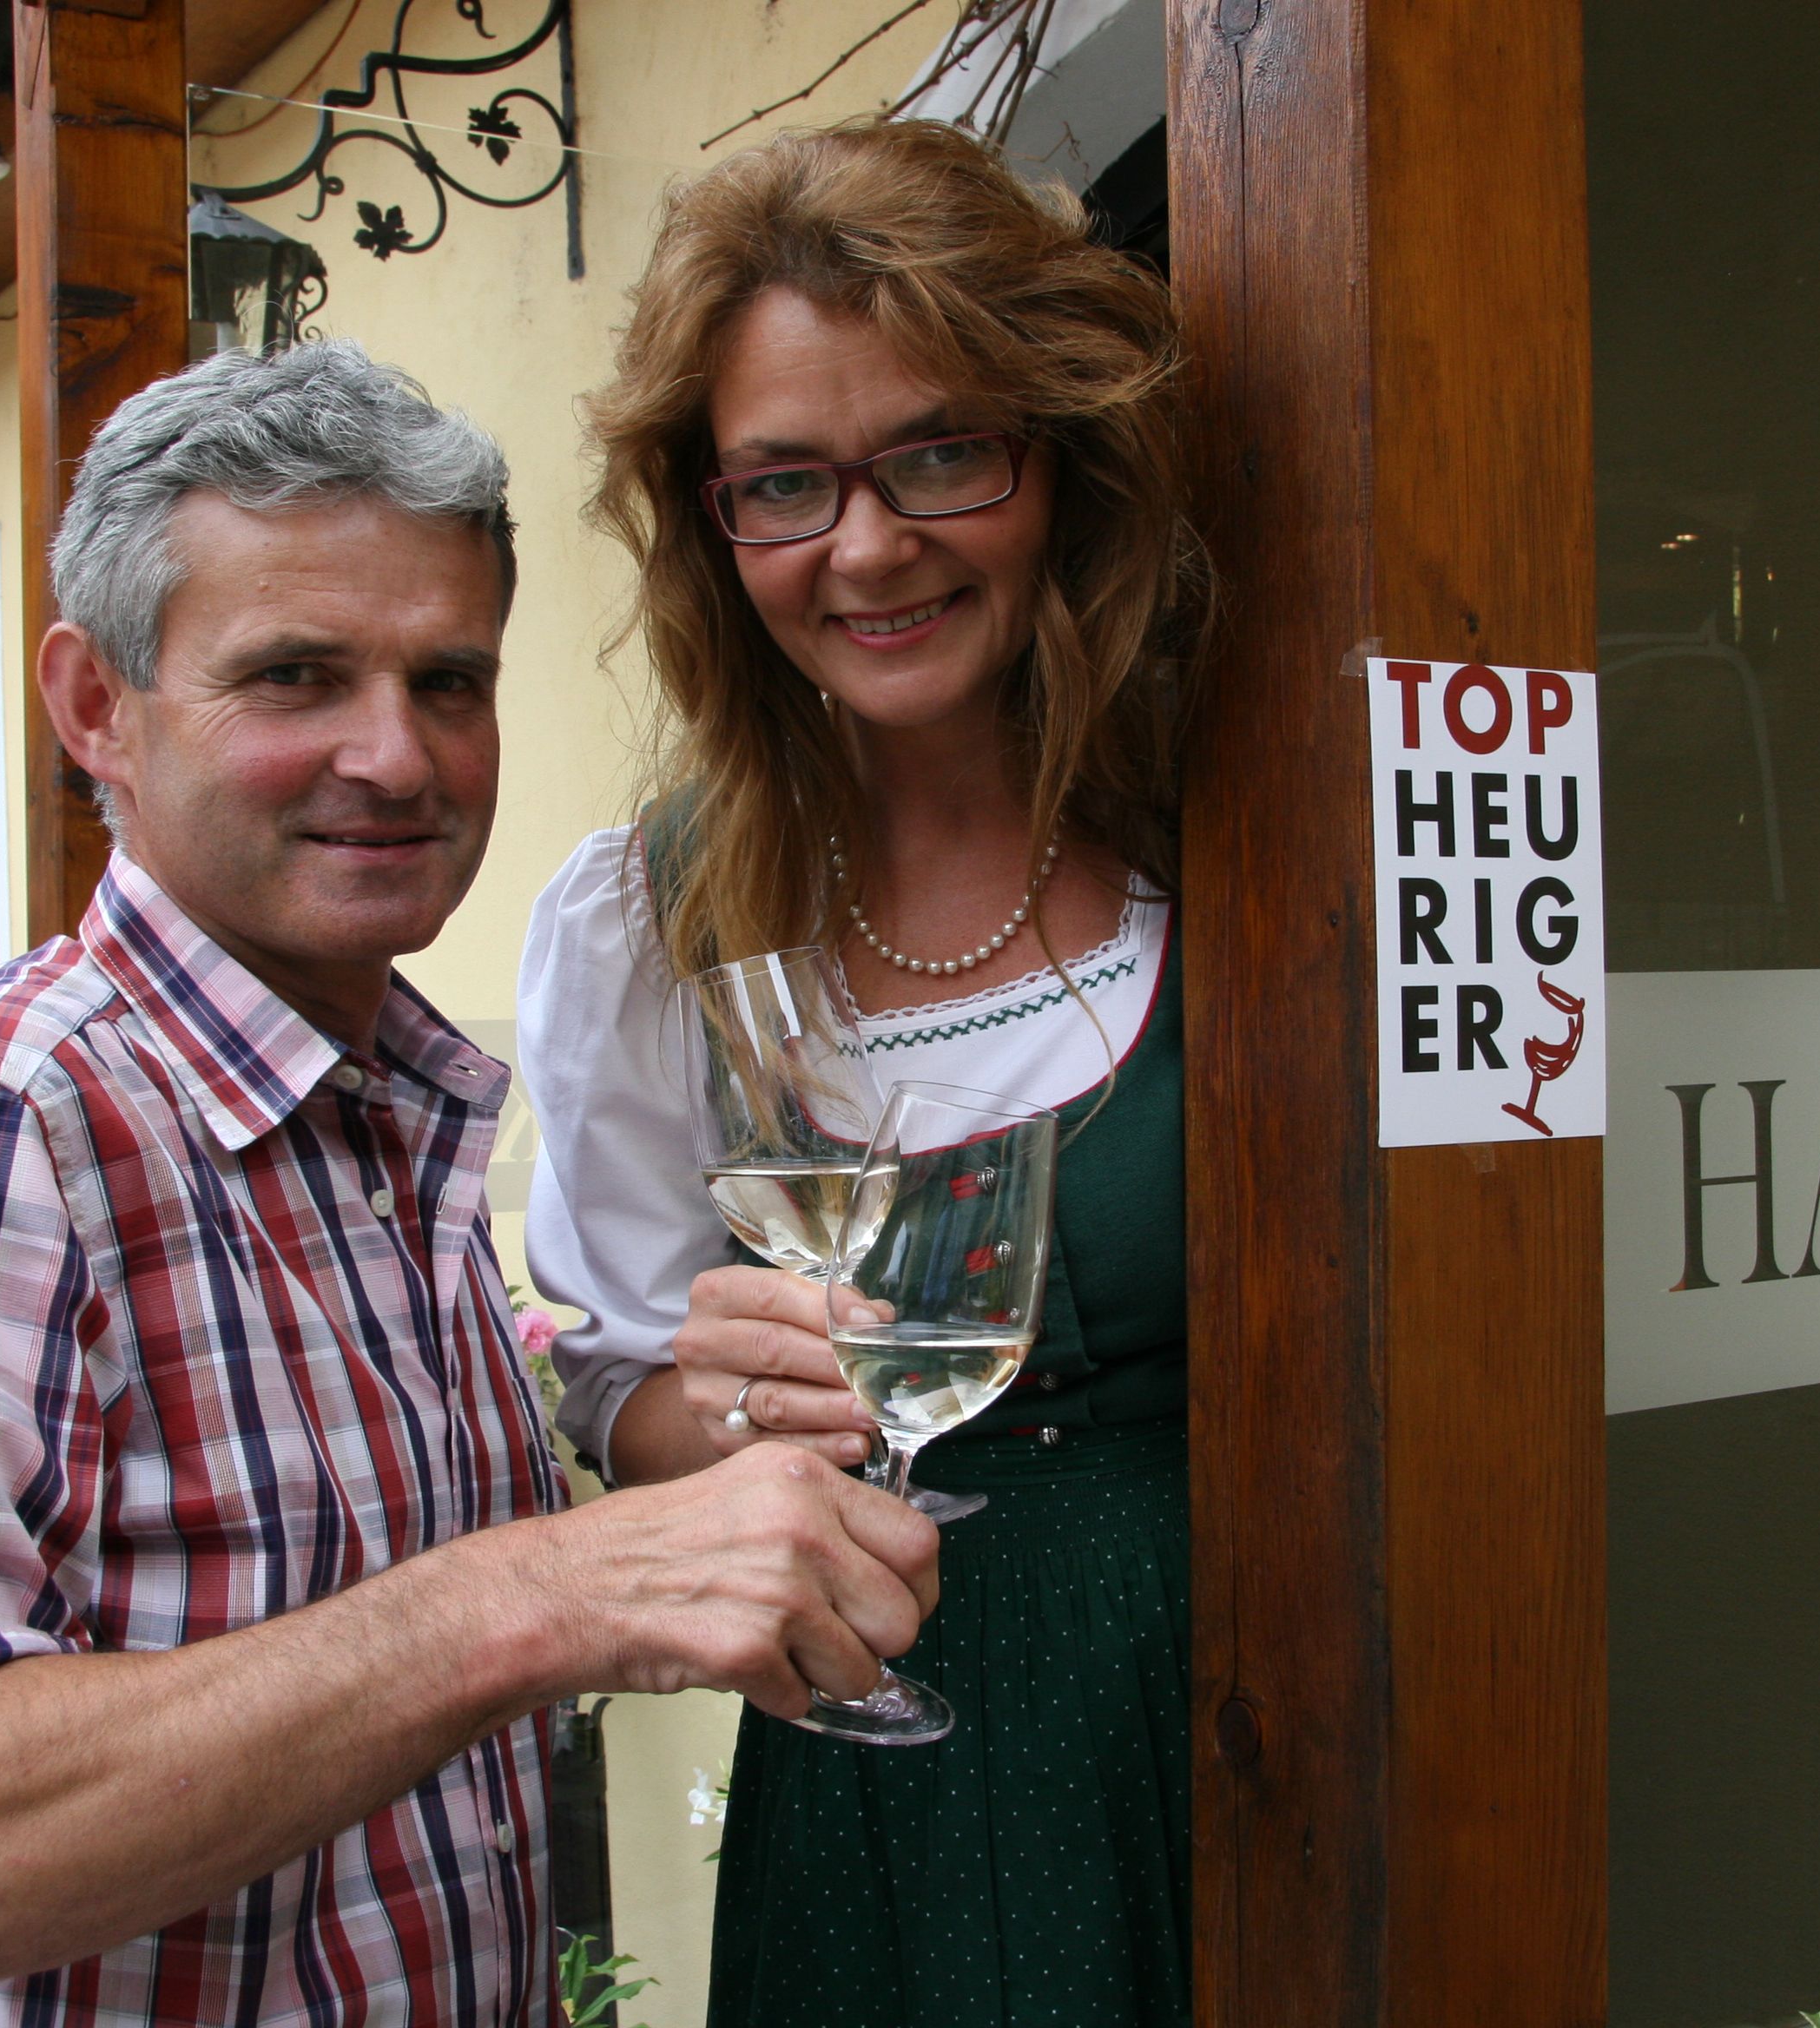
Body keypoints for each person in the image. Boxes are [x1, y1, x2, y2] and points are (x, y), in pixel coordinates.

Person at [0, 339, 940, 2028]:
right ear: (95, 707)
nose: (398, 755)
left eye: (450, 681)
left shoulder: (381, 1117)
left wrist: (703, 1438)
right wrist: (537, 1596)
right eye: (295, 677)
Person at [521, 119, 1208, 2026]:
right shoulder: (644, 924)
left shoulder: (1246, 846)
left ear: (1055, 463)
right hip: (875, 1754)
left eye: (937, 453)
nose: (869, 544)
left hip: (1237, 1716)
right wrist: (731, 1412)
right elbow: (620, 1388)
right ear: (713, 522)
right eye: (785, 485)